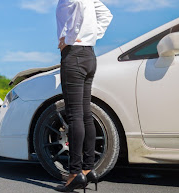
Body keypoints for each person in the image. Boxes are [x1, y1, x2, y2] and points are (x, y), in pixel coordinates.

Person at [54, 0, 112, 192]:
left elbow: (78, 5)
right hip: (89, 55)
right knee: (85, 114)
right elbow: (106, 15)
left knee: (75, 115)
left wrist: (70, 37)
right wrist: (91, 36)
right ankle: (88, 170)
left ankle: (74, 174)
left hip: (75, 54)